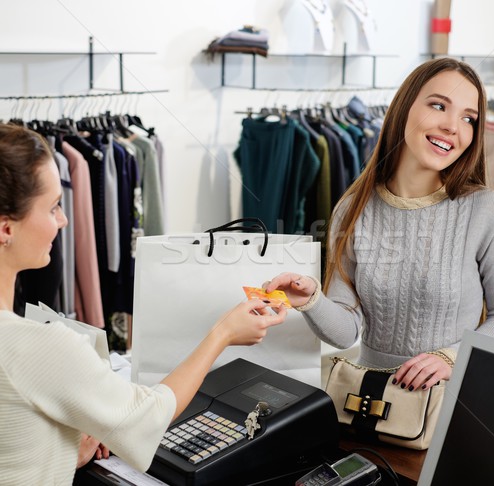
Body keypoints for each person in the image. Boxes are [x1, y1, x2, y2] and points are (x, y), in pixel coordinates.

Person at [0, 124, 287, 484]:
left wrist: (56, 453)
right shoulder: (41, 347)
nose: (64, 219)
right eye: (54, 206)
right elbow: (149, 413)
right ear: (6, 228)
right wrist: (223, 333)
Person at [265, 57, 494, 392]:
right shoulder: (353, 207)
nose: (453, 126)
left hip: (449, 402)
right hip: (373, 401)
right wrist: (311, 300)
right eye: (438, 105)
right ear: (404, 108)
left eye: (468, 118)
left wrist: (451, 358)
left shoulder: (484, 210)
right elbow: (347, 331)